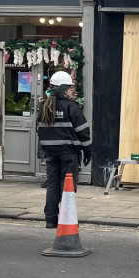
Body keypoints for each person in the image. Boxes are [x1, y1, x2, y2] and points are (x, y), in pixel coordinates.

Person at [37, 70, 92, 229]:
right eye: (69, 88)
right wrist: (88, 151)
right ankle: (65, 218)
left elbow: (39, 131)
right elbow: (84, 132)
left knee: (53, 185)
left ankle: (50, 219)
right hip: (69, 153)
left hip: (51, 154)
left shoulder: (44, 107)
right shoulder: (71, 107)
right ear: (63, 89)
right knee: (67, 186)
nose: (71, 90)